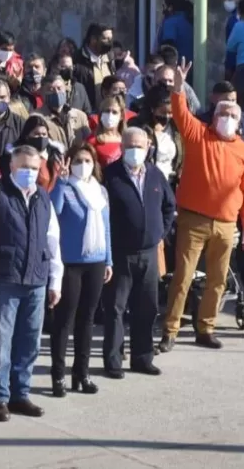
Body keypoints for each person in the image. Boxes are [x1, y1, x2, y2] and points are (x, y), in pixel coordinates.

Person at [161, 63, 244, 352]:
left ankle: (206, 327)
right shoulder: (199, 135)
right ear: (214, 116)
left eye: (232, 115)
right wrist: (178, 88)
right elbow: (180, 115)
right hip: (194, 220)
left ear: (239, 122)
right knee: (183, 277)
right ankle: (170, 330)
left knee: (218, 281)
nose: (227, 118)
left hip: (227, 225)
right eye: (222, 113)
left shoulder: (242, 148)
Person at [0, 144, 62, 422]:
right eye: (24, 167)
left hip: (35, 278)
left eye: (34, 168)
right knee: (1, 342)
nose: (30, 173)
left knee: (30, 340)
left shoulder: (43, 198)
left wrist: (55, 280)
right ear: (11, 167)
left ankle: (20, 394)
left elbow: (53, 240)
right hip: (4, 278)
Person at [101, 126, 175, 378]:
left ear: (148, 148)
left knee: (147, 307)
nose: (135, 150)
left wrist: (159, 234)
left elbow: (169, 205)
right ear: (121, 148)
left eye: (140, 146)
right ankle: (113, 361)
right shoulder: (110, 176)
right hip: (120, 253)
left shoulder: (155, 175)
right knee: (115, 309)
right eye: (130, 146)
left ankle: (142, 358)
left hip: (149, 253)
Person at [48, 143, 112, 397]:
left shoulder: (100, 191)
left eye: (87, 160)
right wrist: (61, 182)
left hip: (95, 261)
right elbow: (54, 212)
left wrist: (109, 260)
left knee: (87, 319)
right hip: (70, 263)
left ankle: (81, 372)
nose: (82, 165)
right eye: (78, 160)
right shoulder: (66, 188)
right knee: (65, 320)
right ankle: (58, 376)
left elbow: (106, 227)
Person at [36, 74, 90, 149]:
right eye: (50, 89)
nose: (56, 92)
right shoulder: (37, 118)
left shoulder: (80, 116)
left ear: (65, 89)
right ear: (42, 92)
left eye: (59, 88)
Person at [86, 96, 126, 168]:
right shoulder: (91, 141)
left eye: (114, 112)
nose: (110, 115)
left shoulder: (127, 139)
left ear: (121, 116)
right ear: (101, 114)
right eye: (107, 111)